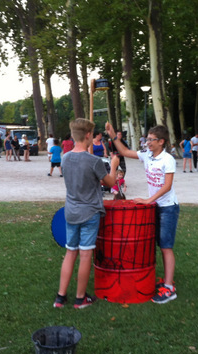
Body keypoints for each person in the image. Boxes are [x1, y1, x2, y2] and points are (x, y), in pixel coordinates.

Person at [106, 122, 179, 304]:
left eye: (151, 140)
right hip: (154, 206)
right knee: (155, 244)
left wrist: (149, 200)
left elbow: (167, 186)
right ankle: (162, 280)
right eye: (147, 139)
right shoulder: (147, 156)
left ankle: (169, 288)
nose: (147, 143)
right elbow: (124, 152)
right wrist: (113, 135)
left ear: (161, 141)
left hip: (168, 207)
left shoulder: (167, 159)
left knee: (166, 246)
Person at [53, 118, 119, 309]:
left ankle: (60, 297)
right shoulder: (94, 161)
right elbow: (110, 183)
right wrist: (113, 164)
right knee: (85, 255)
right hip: (89, 213)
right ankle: (81, 299)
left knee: (70, 253)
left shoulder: (65, 158)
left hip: (71, 212)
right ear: (89, 135)